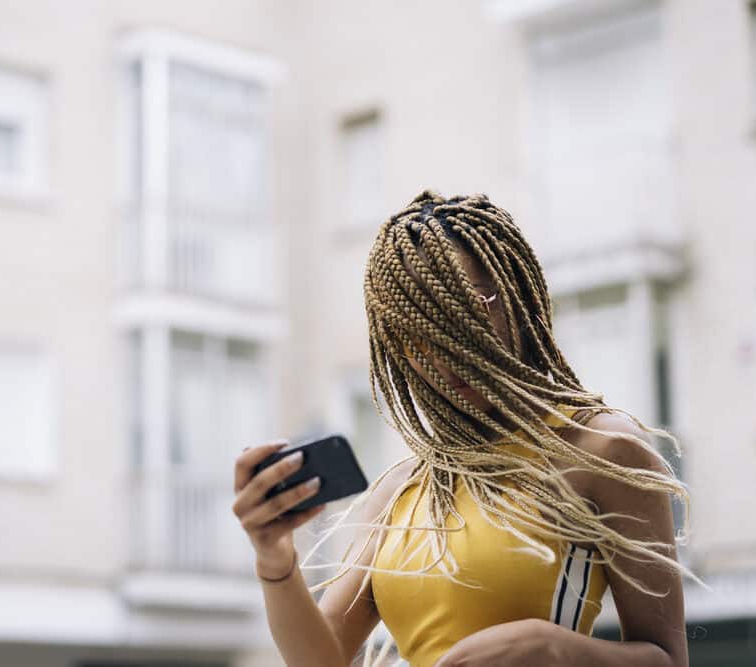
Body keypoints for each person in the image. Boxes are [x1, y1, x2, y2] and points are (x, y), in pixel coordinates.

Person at [231, 191, 700, 667]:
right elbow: (320, 661)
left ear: (516, 297)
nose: (444, 351)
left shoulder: (600, 450)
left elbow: (667, 658)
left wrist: (555, 648)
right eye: (419, 332)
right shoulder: (404, 488)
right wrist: (274, 557)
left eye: (468, 311)